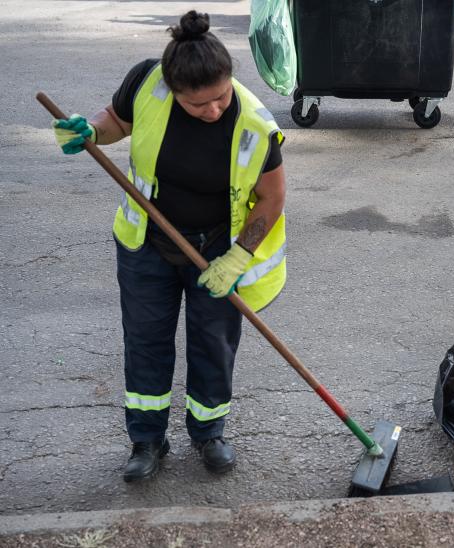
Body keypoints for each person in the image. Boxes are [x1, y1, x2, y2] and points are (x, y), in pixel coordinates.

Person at [51, 11, 287, 482]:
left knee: (213, 345)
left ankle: (209, 432)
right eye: (199, 105)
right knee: (145, 342)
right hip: (148, 244)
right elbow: (119, 119)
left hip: (217, 249)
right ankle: (146, 439)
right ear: (174, 89)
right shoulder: (147, 81)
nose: (214, 110)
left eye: (221, 97)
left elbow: (272, 196)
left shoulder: (255, 126)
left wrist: (239, 257)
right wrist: (92, 132)